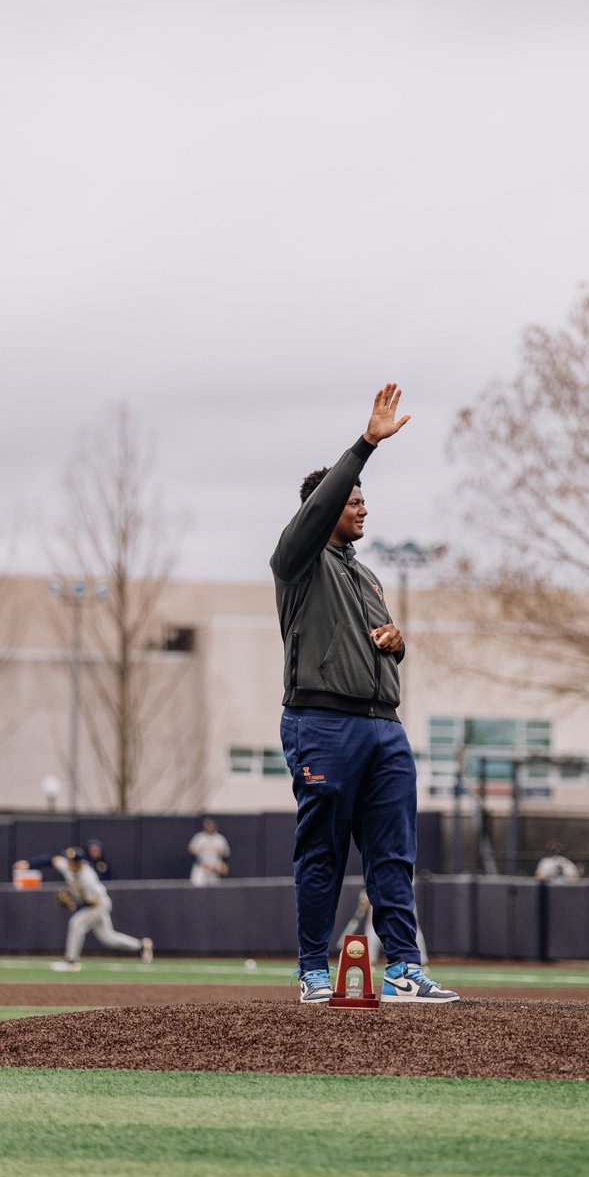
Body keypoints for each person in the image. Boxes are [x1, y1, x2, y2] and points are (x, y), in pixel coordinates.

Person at [271, 383, 458, 1004]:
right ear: (323, 511)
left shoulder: (367, 573)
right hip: (322, 724)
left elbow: (379, 647)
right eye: (353, 501)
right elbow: (318, 514)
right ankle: (313, 972)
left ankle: (404, 968)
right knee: (321, 853)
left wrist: (396, 643)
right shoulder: (299, 560)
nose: (363, 510)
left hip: (384, 728)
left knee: (394, 855)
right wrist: (366, 445)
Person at [13, 846, 153, 972]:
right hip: (92, 903)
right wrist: (29, 863)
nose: (70, 862)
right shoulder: (66, 866)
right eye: (69, 859)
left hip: (99, 904)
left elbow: (92, 901)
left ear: (81, 862)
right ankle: (141, 946)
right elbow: (51, 859)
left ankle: (71, 962)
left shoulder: (88, 877)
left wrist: (74, 905)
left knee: (76, 924)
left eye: (73, 861)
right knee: (108, 938)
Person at [187, 818, 231, 887]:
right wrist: (200, 850)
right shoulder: (200, 837)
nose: (209, 828)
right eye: (207, 826)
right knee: (197, 885)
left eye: (210, 826)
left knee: (214, 888)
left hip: (214, 867)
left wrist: (218, 862)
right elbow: (191, 849)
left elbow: (226, 853)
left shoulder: (219, 838)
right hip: (201, 866)